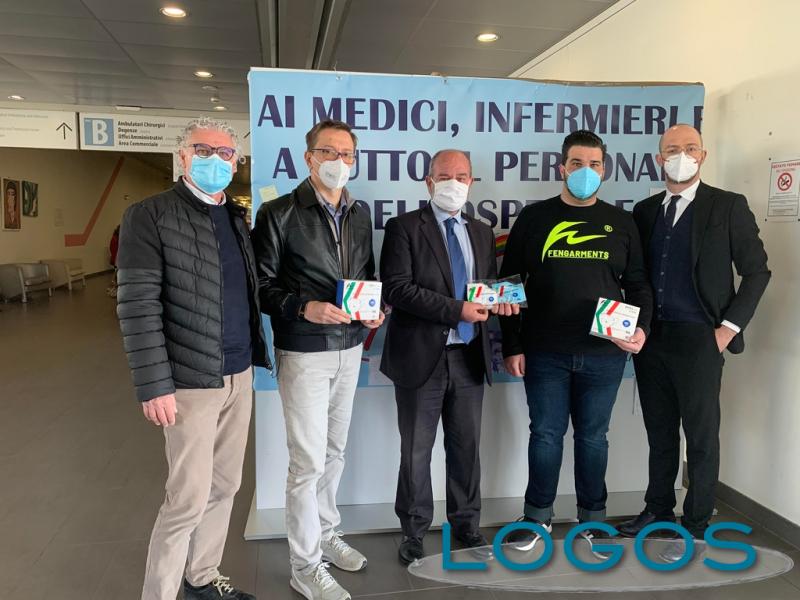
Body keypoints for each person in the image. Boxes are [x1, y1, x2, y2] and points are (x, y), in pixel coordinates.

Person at [116, 117, 269, 600]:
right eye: (203, 150)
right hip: (189, 381)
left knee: (225, 486)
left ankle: (202, 577)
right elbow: (137, 305)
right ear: (182, 156)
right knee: (186, 497)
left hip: (239, 373)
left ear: (236, 164)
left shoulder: (236, 219)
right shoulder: (150, 215)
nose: (215, 161)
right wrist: (153, 385)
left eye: (225, 154)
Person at [617, 124, 771, 561]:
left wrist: (727, 329)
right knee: (659, 432)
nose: (680, 156)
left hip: (702, 338)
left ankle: (697, 523)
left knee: (701, 436)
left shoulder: (727, 206)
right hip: (652, 338)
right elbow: (635, 275)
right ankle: (658, 509)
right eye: (672, 150)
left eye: (689, 148)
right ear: (658, 158)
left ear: (702, 156)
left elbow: (757, 272)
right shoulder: (645, 211)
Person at [498, 130, 652, 556]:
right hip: (544, 350)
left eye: (595, 164)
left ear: (605, 169)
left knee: (593, 438)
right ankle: (536, 517)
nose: (587, 171)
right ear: (562, 167)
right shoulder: (534, 218)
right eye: (578, 163)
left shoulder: (622, 222)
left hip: (604, 354)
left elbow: (638, 284)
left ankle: (593, 520)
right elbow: (509, 283)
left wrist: (642, 328)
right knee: (545, 435)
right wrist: (512, 344)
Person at [251, 119, 384, 600]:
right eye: (329, 152)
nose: (338, 162)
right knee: (306, 463)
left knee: (333, 452)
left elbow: (367, 275)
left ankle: (326, 533)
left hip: (350, 348)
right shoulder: (279, 213)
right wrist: (302, 307)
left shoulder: (359, 213)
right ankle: (304, 566)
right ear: (308, 158)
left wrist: (375, 310)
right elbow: (261, 286)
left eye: (347, 154)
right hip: (305, 350)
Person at [380, 149, 518, 565]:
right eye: (444, 176)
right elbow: (397, 289)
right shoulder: (404, 227)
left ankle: (466, 524)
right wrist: (457, 309)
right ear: (429, 182)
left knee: (466, 448)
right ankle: (414, 530)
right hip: (421, 356)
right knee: (415, 451)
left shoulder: (482, 231)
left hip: (469, 356)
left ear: (472, 182)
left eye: (462, 176)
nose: (453, 183)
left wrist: (499, 301)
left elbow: (485, 287)